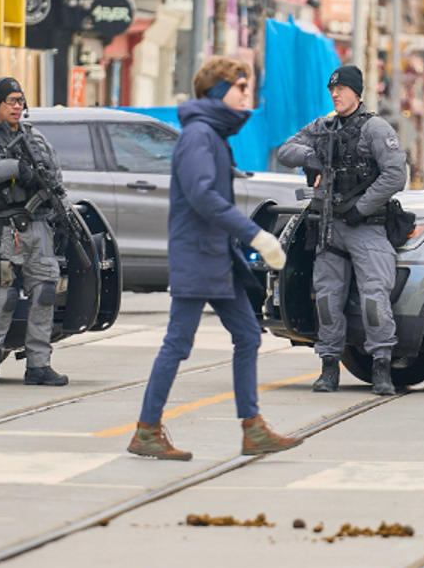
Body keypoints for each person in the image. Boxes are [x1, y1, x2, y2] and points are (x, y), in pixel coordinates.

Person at [127, 57, 302, 461]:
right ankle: (146, 430)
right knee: (178, 343)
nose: (249, 96)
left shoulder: (213, 136)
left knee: (247, 335)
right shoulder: (200, 137)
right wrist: (255, 234)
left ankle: (252, 428)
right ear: (222, 91)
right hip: (198, 256)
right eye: (243, 88)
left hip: (217, 258)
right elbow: (204, 196)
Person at [276, 65, 407, 396]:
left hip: (366, 226)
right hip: (330, 228)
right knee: (326, 300)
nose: (335, 94)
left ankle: (381, 368)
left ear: (357, 92)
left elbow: (395, 174)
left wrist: (360, 209)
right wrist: (312, 156)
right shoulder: (323, 127)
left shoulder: (375, 129)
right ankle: (329, 366)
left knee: (375, 299)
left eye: (342, 89)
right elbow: (285, 151)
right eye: (331, 89)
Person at [0, 76, 69, 387]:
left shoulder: (35, 138)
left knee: (46, 294)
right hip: (7, 233)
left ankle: (38, 365)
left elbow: (56, 177)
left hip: (39, 228)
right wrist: (15, 168)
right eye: (11, 101)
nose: (17, 106)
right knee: (4, 295)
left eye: (21, 101)